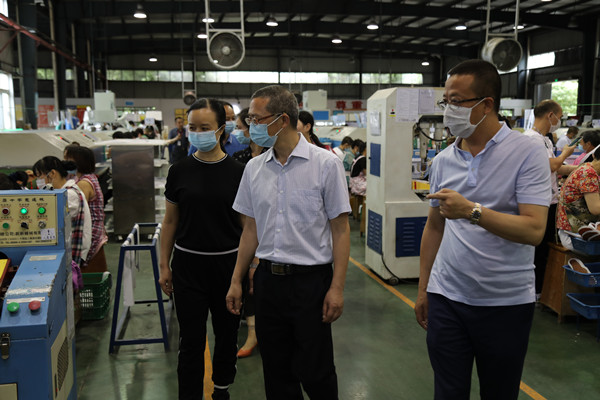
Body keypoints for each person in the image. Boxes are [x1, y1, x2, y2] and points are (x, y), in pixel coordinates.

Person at [415, 59, 552, 400]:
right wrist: (424, 288)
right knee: (448, 392)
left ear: (486, 104)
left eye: (456, 101)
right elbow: (434, 227)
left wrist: (471, 211)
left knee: (499, 392)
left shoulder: (527, 152)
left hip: (505, 303)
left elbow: (534, 229)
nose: (448, 110)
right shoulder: (443, 161)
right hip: (447, 297)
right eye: (445, 101)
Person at [226, 85, 351, 399]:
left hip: (311, 284)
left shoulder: (325, 165)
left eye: (256, 119)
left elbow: (340, 230)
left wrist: (336, 288)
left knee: (317, 371)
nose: (250, 126)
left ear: (282, 120)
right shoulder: (254, 168)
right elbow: (250, 230)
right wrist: (236, 280)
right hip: (268, 282)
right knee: (276, 370)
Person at [158, 98, 244, 400]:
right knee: (190, 340)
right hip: (188, 268)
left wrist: (248, 268)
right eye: (192, 127)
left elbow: (248, 226)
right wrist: (164, 265)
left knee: (227, 335)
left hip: (228, 267)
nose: (197, 133)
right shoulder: (179, 171)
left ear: (221, 129)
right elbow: (170, 221)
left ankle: (221, 389)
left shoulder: (239, 172)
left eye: (204, 127)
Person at [523, 99, 577, 296]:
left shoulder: (544, 139)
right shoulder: (531, 139)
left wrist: (581, 168)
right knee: (538, 249)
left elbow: (557, 168)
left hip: (550, 200)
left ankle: (540, 289)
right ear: (550, 115)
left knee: (544, 248)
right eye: (559, 117)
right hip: (539, 202)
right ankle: (535, 291)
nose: (559, 122)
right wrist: (565, 153)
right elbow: (551, 165)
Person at [231, 107, 266, 358]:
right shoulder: (239, 158)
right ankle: (253, 333)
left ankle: (264, 330)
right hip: (245, 227)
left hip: (268, 230)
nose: (239, 132)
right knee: (246, 282)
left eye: (241, 126)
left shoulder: (272, 156)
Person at [32, 157, 92, 271]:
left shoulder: (69, 194)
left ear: (52, 173)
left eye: (40, 176)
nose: (38, 180)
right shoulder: (61, 192)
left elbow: (54, 221)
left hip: (73, 251)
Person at [64, 145, 108, 273]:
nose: (64, 163)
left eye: (67, 159)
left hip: (90, 236)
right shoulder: (88, 178)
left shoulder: (84, 183)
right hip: (96, 233)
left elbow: (75, 209)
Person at [556, 142, 600, 250]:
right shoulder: (588, 173)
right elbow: (596, 209)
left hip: (573, 229)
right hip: (574, 235)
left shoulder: (586, 167)